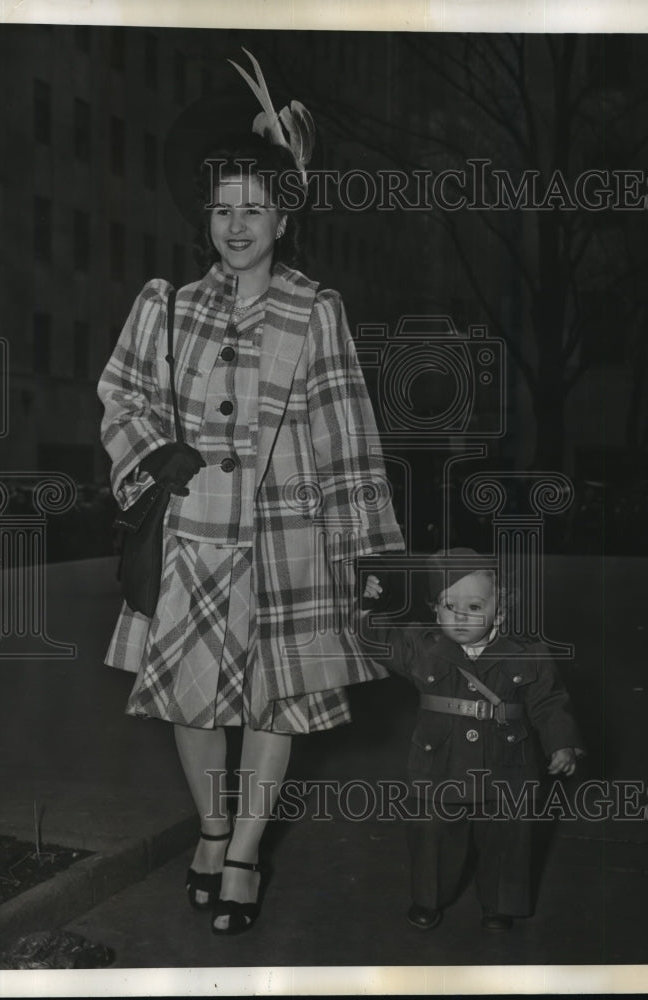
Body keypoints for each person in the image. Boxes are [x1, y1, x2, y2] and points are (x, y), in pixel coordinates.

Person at [97, 51, 404, 935]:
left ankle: (243, 850)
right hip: (192, 541)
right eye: (223, 209)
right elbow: (122, 393)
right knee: (190, 700)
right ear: (209, 217)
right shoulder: (169, 306)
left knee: (273, 703)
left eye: (254, 209)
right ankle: (212, 823)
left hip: (285, 543)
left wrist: (366, 558)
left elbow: (347, 437)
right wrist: (155, 454)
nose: (237, 225)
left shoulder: (316, 311)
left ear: (283, 214)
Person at [360, 548, 583, 932]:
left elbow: (548, 702)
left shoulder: (527, 653)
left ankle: (498, 903)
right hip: (439, 764)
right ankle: (428, 897)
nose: (460, 615)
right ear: (434, 610)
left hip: (506, 763)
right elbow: (375, 638)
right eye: (448, 605)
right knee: (432, 837)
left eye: (475, 605)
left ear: (501, 610)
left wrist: (561, 742)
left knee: (507, 836)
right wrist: (367, 604)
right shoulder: (422, 646)